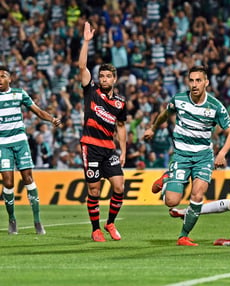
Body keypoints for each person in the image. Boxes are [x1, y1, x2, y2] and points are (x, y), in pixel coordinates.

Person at [143, 65, 230, 246]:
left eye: (198, 80)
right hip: (181, 155)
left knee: (197, 195)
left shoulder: (215, 106)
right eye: (191, 80)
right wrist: (153, 128)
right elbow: (165, 114)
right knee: (171, 201)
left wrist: (222, 153)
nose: (194, 84)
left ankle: (183, 236)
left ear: (206, 83)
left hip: (203, 157)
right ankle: (167, 176)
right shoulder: (179, 100)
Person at [78, 22, 127, 242]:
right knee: (94, 191)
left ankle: (110, 223)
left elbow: (121, 126)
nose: (104, 79)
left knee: (119, 186)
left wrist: (123, 151)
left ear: (114, 79)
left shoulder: (120, 102)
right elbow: (81, 67)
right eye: (102, 76)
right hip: (90, 146)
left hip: (109, 148)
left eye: (108, 76)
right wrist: (87, 42)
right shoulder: (91, 92)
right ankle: (95, 228)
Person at [0, 65, 61, 235]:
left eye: (3, 76)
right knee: (8, 182)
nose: (0, 79)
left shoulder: (19, 93)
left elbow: (38, 111)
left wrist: (52, 119)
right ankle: (12, 219)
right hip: (2, 144)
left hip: (20, 142)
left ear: (9, 78)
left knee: (28, 179)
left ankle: (37, 221)